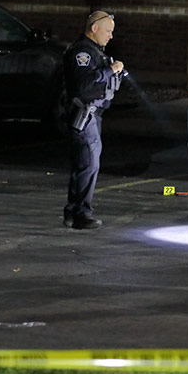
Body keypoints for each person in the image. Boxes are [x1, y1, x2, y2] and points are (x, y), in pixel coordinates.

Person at [62, 11, 125, 230]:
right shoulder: (83, 52)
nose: (110, 36)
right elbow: (83, 85)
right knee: (89, 164)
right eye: (108, 31)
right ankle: (82, 214)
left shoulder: (95, 52)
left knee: (83, 164)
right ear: (94, 28)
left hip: (93, 114)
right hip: (84, 114)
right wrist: (109, 71)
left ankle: (73, 211)